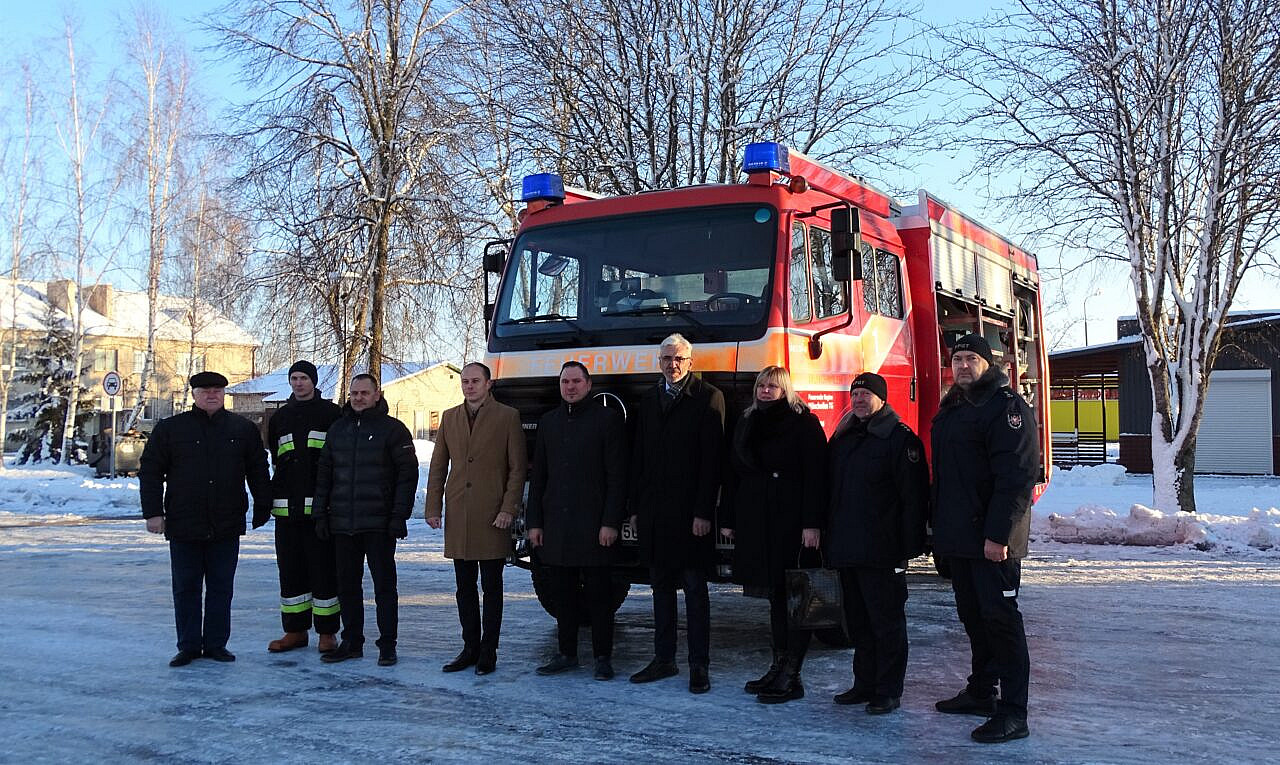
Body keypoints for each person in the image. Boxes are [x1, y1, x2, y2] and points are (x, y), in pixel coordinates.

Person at [931, 334, 1040, 743]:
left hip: (992, 542)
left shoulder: (1005, 407)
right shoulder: (954, 408)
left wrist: (998, 536)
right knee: (974, 619)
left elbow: (1016, 478)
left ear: (987, 364)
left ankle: (1014, 712)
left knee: (1002, 623)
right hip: (960, 540)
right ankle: (981, 692)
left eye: (970, 359)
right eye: (956, 359)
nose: (961, 366)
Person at [139, 371, 271, 667]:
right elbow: (150, 471)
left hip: (226, 522)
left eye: (217, 390)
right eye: (205, 390)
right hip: (184, 522)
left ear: (224, 394)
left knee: (221, 586)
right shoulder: (171, 429)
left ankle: (215, 644)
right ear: (194, 394)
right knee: (186, 587)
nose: (212, 395)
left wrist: (263, 505)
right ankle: (188, 645)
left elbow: (258, 470)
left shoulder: (242, 429)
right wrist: (153, 512)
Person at [719, 365, 827, 704]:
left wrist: (812, 524)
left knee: (795, 597)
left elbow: (816, 477)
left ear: (786, 389)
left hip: (789, 520)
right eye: (762, 385)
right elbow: (732, 472)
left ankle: (793, 674)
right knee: (774, 597)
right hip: (755, 518)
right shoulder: (747, 420)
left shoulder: (803, 423)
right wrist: (729, 516)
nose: (766, 391)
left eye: (773, 386)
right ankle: (778, 664)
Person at [825, 372, 929, 714]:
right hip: (848, 548)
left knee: (886, 624)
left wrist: (907, 548)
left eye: (865, 394)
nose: (858, 400)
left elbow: (914, 499)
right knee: (858, 622)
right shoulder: (844, 438)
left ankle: (888, 690)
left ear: (882, 399)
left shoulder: (900, 439)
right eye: (854, 395)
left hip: (883, 550)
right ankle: (864, 683)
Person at [627, 333, 725, 694]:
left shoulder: (709, 398)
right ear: (659, 362)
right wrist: (635, 508)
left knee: (696, 592)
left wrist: (704, 512)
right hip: (654, 514)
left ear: (691, 362)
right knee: (661, 590)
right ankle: (663, 659)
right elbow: (639, 458)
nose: (673, 364)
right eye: (667, 358)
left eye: (679, 359)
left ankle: (699, 665)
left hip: (690, 516)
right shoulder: (649, 400)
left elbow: (711, 462)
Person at [526, 361, 627, 681]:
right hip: (556, 525)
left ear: (588, 384)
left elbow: (617, 476)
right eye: (565, 382)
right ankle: (567, 653)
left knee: (599, 597)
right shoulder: (549, 422)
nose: (570, 387)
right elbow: (539, 477)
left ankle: (602, 657)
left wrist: (611, 522)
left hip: (595, 526)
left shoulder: (606, 420)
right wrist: (535, 523)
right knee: (563, 596)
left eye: (576, 381)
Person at [425, 361, 527, 675]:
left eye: (475, 381)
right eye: (465, 382)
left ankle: (488, 651)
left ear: (488, 384)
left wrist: (508, 508)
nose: (469, 386)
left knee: (492, 587)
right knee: (464, 588)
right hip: (459, 514)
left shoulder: (507, 417)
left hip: (492, 515)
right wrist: (433, 507)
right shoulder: (450, 417)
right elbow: (439, 466)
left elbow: (517, 469)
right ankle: (469, 647)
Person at [312, 373, 418, 667]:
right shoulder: (337, 430)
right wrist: (320, 513)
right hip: (343, 525)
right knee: (347, 585)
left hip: (379, 525)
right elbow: (324, 477)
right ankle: (352, 641)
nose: (358, 398)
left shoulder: (393, 430)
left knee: (384, 586)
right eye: (354, 393)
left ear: (376, 394)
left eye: (364, 393)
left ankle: (387, 645)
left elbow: (407, 477)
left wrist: (399, 516)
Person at [265, 361, 343, 655]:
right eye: (294, 378)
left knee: (324, 572)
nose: (298, 384)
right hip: (286, 513)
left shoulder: (331, 414)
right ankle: (294, 631)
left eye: (303, 378)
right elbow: (277, 457)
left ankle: (327, 633)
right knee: (291, 572)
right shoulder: (280, 418)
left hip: (320, 511)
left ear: (313, 381)